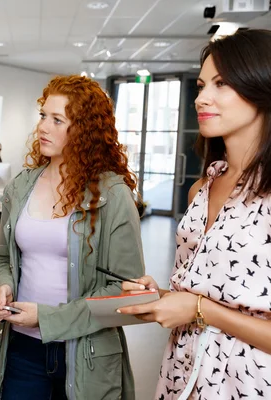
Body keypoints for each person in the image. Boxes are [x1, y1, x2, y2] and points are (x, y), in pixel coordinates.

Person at [118, 29, 271, 400]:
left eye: (221, 84)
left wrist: (199, 309)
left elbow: (205, 306)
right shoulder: (202, 188)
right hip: (182, 377)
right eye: (201, 85)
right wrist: (163, 297)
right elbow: (206, 294)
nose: (202, 98)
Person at [0, 75, 145, 400]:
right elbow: (3, 257)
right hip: (22, 347)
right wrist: (2, 284)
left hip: (88, 354)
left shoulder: (113, 194)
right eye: (43, 115)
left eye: (57, 120)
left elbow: (124, 291)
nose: (43, 127)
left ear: (85, 129)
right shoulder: (20, 186)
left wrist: (47, 319)